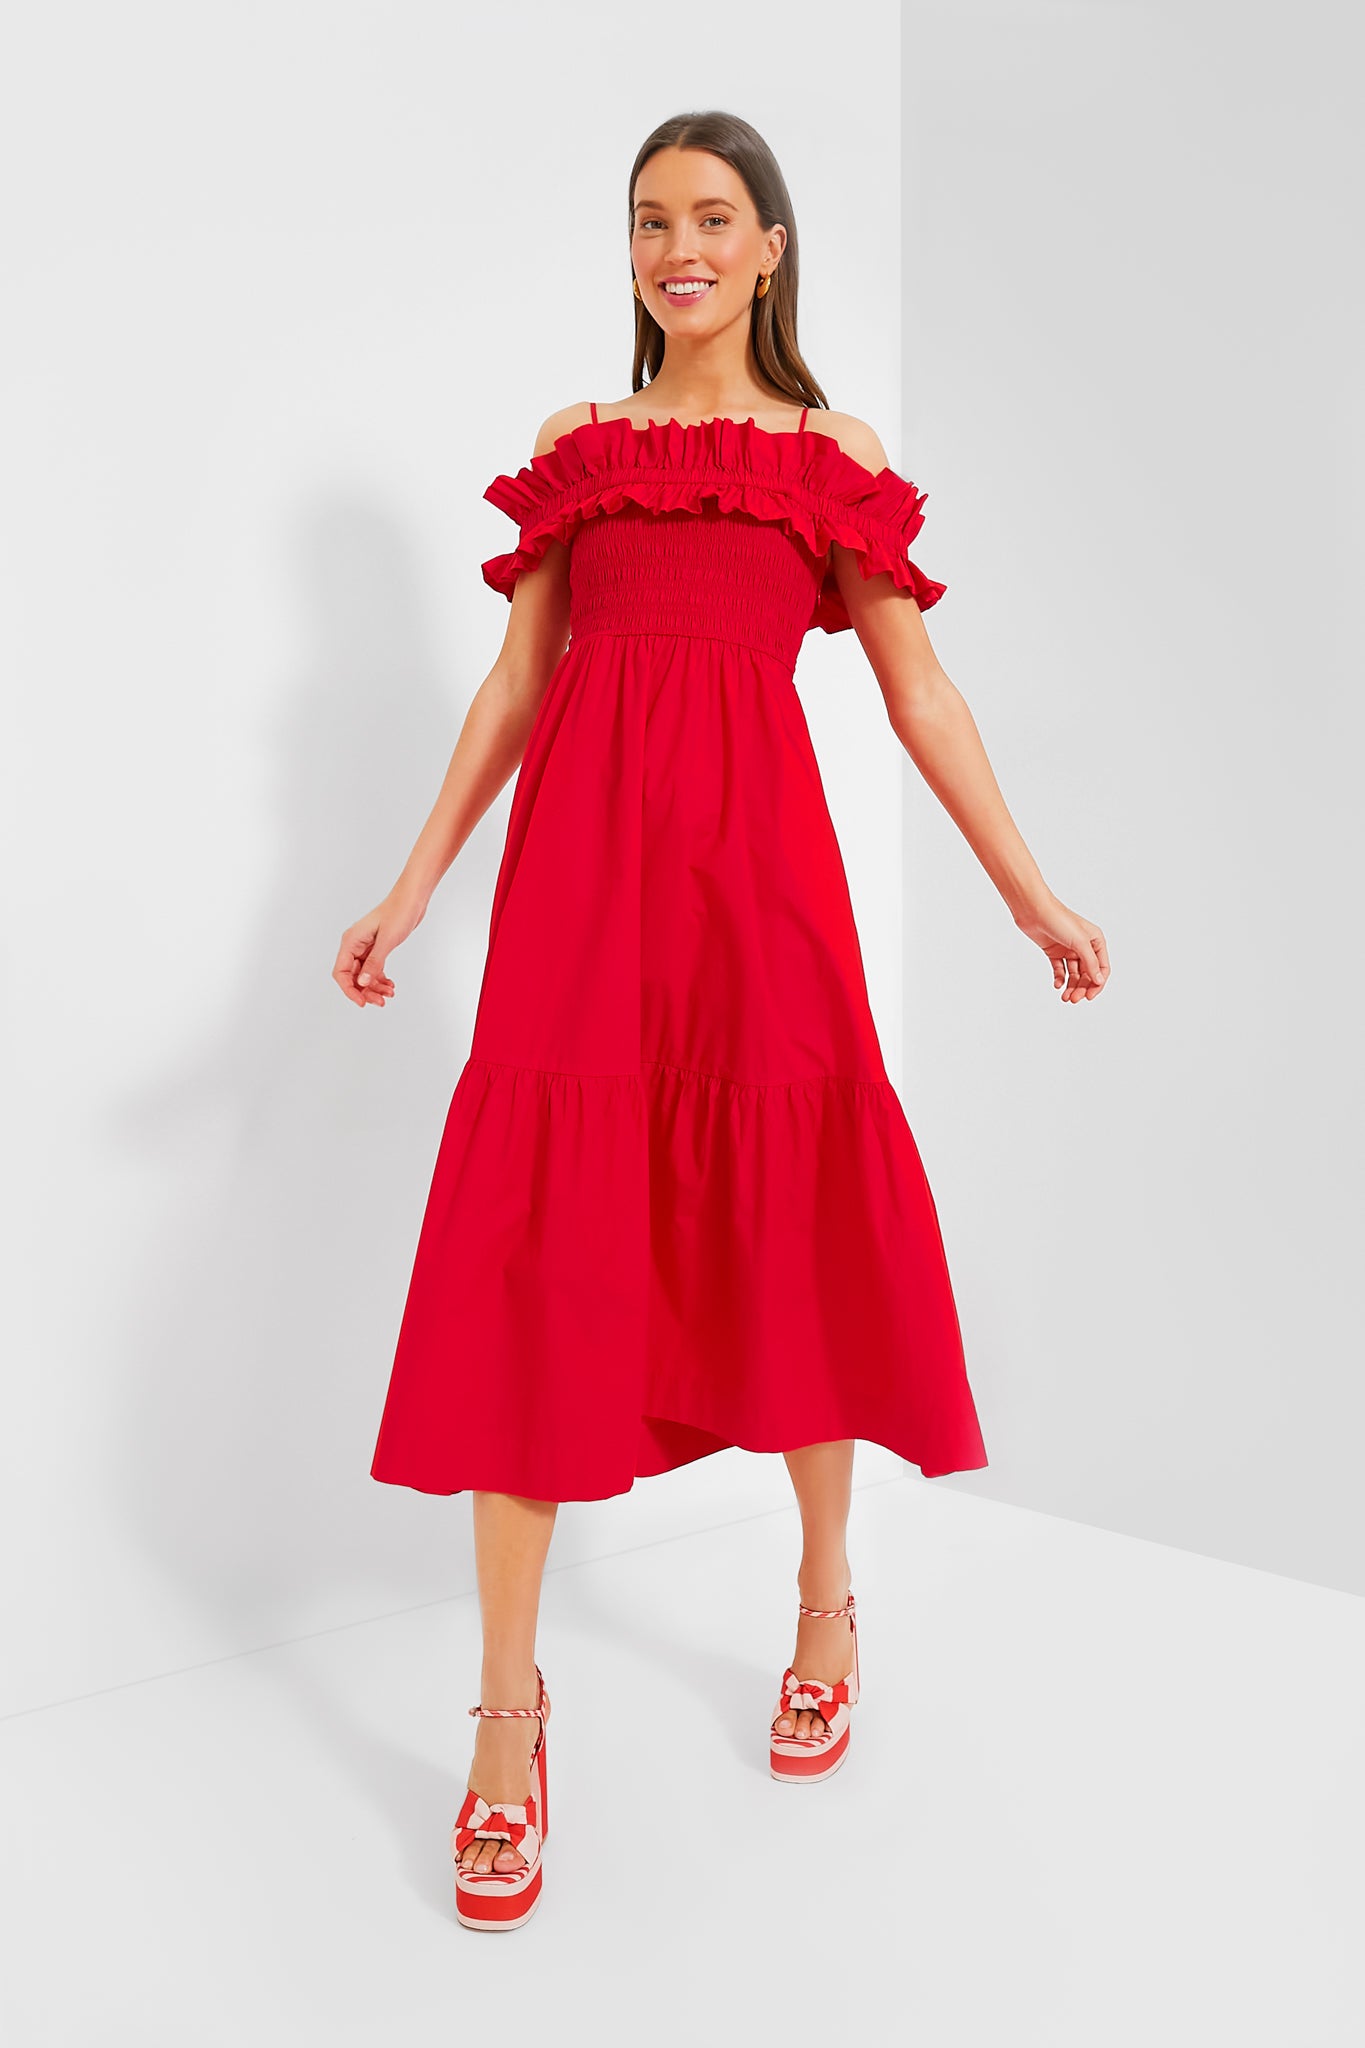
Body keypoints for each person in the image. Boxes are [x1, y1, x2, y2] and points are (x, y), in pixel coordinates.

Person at [333, 109, 1109, 1931]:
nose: (674, 246)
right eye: (645, 222)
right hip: (579, 904)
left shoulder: (829, 461)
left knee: (797, 1225)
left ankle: (825, 1598)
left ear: (769, 248)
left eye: (709, 218)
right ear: (629, 256)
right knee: (532, 1259)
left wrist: (1029, 891)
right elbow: (519, 681)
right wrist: (411, 883)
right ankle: (508, 1726)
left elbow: (919, 698)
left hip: (757, 898)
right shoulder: (577, 448)